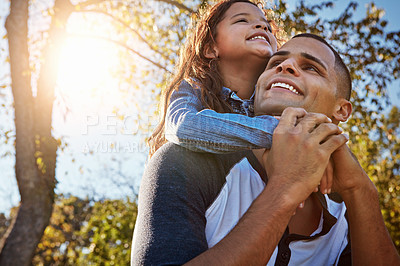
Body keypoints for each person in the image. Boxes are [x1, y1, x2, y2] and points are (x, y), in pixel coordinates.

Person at [131, 34, 400, 265]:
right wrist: (284, 189)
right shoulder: (185, 162)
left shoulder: (347, 212)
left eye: (311, 68)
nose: (286, 66)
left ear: (342, 110)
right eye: (275, 63)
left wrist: (361, 191)